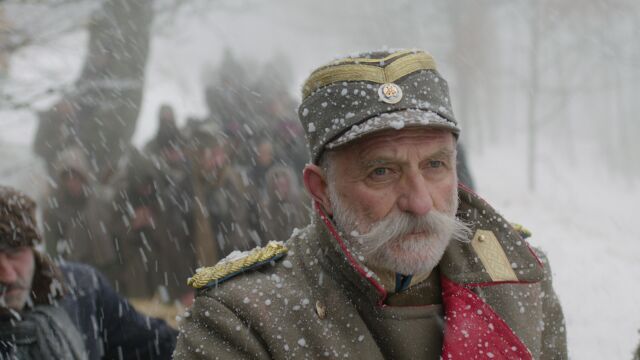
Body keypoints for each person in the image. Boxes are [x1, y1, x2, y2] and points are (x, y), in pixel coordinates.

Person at [174, 49, 567, 359]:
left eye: (435, 165)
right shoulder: (244, 319)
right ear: (321, 188)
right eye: (382, 171)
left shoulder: (518, 283)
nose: (419, 201)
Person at [0, 185, 177, 359]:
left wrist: (199, 336)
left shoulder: (82, 289)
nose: (8, 275)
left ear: (32, 247)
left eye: (15, 252)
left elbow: (155, 345)